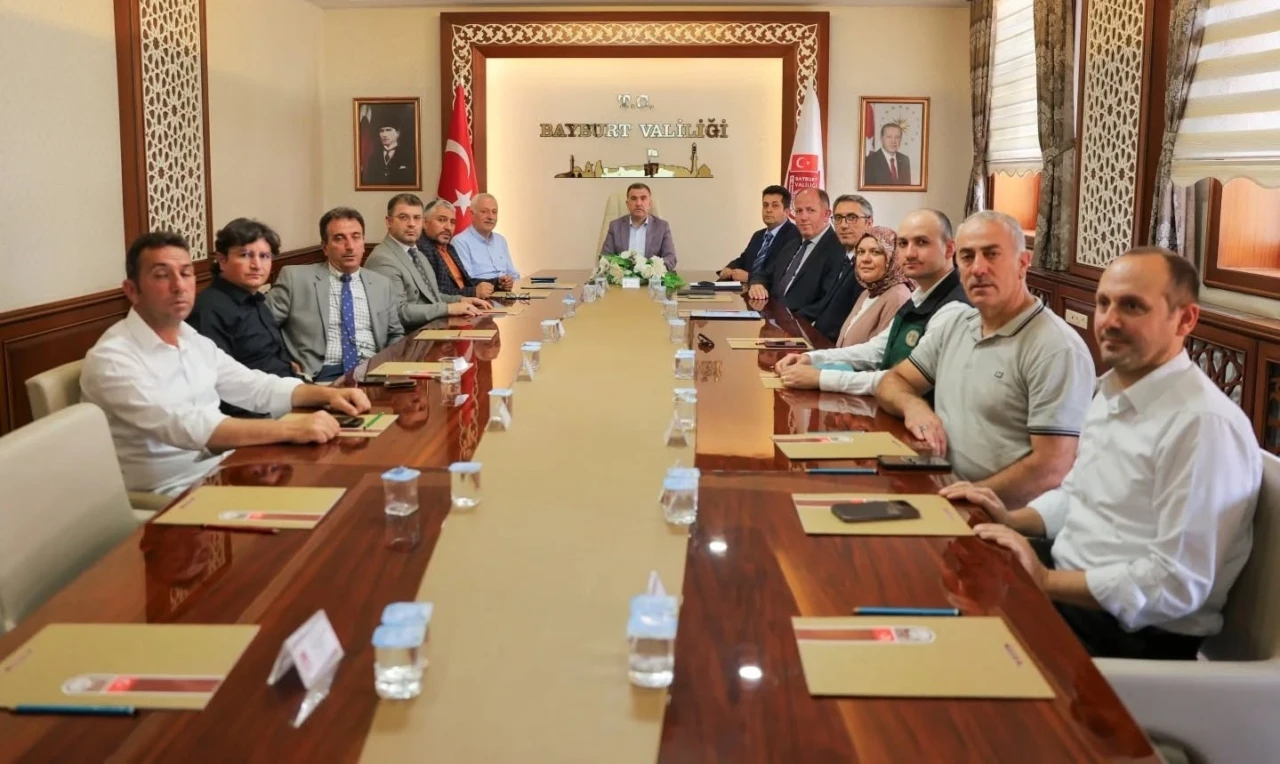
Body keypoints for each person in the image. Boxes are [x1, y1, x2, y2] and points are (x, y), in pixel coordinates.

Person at [944, 248, 1261, 660]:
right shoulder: (1112, 391)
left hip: (1129, 631)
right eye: (1104, 303)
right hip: (1066, 582)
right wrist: (1010, 519)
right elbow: (1078, 496)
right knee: (935, 585)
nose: (1109, 320)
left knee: (951, 658)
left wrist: (1045, 581)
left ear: (1186, 319)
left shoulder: (1202, 425)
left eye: (1132, 306)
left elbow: (1176, 585)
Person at [81, 231, 371, 495]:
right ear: (132, 290)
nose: (179, 286)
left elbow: (253, 385)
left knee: (343, 487)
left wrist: (327, 395)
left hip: (226, 469)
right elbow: (187, 427)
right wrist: (292, 429)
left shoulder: (190, 338)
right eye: (161, 275)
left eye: (185, 273)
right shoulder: (113, 358)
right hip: (169, 496)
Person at [876, 211, 1094, 507]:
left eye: (992, 254)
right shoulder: (957, 324)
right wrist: (914, 406)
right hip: (939, 487)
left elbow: (1052, 468)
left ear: (1023, 263)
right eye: (967, 257)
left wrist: (964, 500)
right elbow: (894, 381)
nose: (978, 269)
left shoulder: (1055, 347)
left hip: (1000, 516)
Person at [775, 210, 969, 395]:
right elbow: (877, 350)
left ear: (949, 249)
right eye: (903, 243)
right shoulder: (919, 297)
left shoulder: (954, 307)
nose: (909, 253)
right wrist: (810, 358)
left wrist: (821, 378)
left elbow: (903, 381)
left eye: (922, 242)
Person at [268, 208, 405, 383]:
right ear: (325, 247)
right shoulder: (295, 279)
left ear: (363, 243)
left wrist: (390, 364)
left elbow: (395, 334)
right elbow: (261, 326)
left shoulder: (382, 284)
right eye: (339, 238)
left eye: (356, 237)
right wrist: (281, 362)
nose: (350, 246)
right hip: (320, 376)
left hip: (373, 374)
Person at [188, 218, 296, 396]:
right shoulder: (208, 309)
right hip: (259, 407)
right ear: (221, 260)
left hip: (289, 392)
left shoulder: (256, 300)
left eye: (264, 256)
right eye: (245, 255)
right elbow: (221, 386)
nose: (257, 265)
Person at [366, 194, 488, 330]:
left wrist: (461, 300)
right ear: (389, 222)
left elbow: (432, 296)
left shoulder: (417, 255)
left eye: (417, 218)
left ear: (422, 222)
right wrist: (448, 308)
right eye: (404, 217)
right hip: (407, 338)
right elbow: (398, 312)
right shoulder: (382, 259)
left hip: (430, 331)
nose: (412, 224)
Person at [747, 187, 844, 312]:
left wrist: (790, 320)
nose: (803, 217)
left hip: (799, 321)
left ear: (826, 214)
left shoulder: (837, 249)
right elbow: (765, 274)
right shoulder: (792, 244)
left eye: (810, 210)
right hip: (770, 314)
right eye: (799, 211)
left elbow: (825, 304)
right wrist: (757, 283)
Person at [799, 194, 876, 341]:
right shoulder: (840, 257)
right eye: (838, 218)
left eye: (852, 218)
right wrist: (793, 321)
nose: (843, 225)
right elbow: (824, 304)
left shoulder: (869, 266)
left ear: (869, 223)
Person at [415, 199, 495, 300]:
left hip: (468, 303)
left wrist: (497, 283)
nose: (448, 227)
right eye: (441, 220)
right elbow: (436, 293)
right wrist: (473, 292)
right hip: (452, 307)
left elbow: (467, 282)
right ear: (425, 223)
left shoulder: (449, 248)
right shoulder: (421, 249)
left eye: (452, 222)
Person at [717, 185, 798, 282]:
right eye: (765, 205)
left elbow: (781, 271)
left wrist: (749, 277)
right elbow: (744, 259)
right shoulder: (758, 235)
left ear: (786, 212)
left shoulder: (794, 235)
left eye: (775, 206)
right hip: (747, 288)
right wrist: (730, 268)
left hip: (769, 290)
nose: (768, 210)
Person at [452, 193, 520, 291]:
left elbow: (514, 274)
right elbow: (467, 281)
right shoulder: (460, 242)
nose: (490, 217)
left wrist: (509, 281)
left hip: (507, 294)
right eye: (484, 211)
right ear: (472, 214)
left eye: (494, 212)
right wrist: (497, 283)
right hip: (482, 296)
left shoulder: (500, 240)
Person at [601, 183, 677, 269]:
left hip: (651, 276)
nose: (638, 203)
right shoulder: (615, 226)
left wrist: (649, 269)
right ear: (627, 204)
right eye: (634, 199)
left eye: (643, 198)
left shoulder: (662, 227)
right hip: (622, 276)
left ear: (650, 204)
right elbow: (605, 257)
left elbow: (671, 258)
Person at [362, 119, 416, 186]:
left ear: (398, 133)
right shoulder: (373, 158)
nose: (384, 135)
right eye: (381, 131)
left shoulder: (408, 157)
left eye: (388, 130)